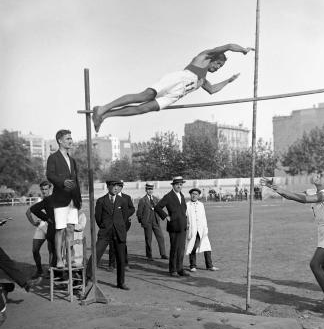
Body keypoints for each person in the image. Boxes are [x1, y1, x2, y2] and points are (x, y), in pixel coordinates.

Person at [92, 43, 254, 132]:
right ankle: (103, 108)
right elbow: (228, 46)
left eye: (220, 67)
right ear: (213, 59)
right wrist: (243, 51)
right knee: (145, 95)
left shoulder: (203, 79)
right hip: (177, 80)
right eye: (218, 64)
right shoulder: (204, 57)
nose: (218, 68)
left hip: (177, 95)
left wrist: (228, 81)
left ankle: (105, 116)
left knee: (144, 109)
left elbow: (212, 90)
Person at [261, 171, 324, 309]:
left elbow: (305, 199)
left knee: (315, 264)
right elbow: (293, 195)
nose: (317, 175)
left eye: (321, 175)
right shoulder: (313, 190)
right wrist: (274, 187)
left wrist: (277, 188)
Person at [86, 180, 134, 290]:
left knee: (121, 259)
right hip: (105, 233)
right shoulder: (101, 201)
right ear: (108, 187)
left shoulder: (123, 201)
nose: (116, 188)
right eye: (113, 186)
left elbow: (125, 217)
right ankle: (88, 277)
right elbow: (98, 218)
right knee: (96, 254)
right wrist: (105, 226)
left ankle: (121, 282)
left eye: (118, 186)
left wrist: (121, 229)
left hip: (119, 233)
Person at [46, 129, 82, 269]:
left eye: (71, 138)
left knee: (71, 229)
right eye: (68, 138)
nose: (71, 141)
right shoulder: (53, 158)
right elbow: (50, 175)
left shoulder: (72, 160)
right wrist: (62, 182)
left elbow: (76, 181)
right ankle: (59, 260)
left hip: (72, 200)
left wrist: (78, 201)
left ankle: (69, 257)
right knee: (60, 229)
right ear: (60, 140)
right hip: (60, 200)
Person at [155, 176, 189, 277]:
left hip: (182, 226)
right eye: (177, 184)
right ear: (173, 185)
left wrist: (186, 222)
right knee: (174, 248)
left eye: (181, 184)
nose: (179, 186)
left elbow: (183, 211)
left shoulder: (182, 195)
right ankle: (172, 269)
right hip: (174, 226)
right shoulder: (168, 196)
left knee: (181, 249)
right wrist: (166, 216)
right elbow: (158, 207)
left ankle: (180, 268)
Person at [25, 180, 55, 276]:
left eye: (46, 189)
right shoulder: (38, 200)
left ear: (50, 188)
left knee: (52, 250)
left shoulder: (55, 199)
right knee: (35, 249)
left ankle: (51, 270)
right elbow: (28, 212)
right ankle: (39, 270)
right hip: (42, 226)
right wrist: (33, 223)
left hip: (52, 226)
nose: (44, 191)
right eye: (42, 189)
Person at [186, 188, 219, 272]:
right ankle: (192, 266)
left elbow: (204, 217)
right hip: (193, 230)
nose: (194, 195)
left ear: (198, 196)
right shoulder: (187, 205)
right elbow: (184, 217)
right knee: (193, 247)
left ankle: (209, 265)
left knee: (207, 247)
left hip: (202, 229)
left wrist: (206, 229)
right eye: (193, 194)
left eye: (196, 194)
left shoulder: (201, 205)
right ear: (190, 195)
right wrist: (187, 224)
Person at [136, 182, 168, 261]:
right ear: (146, 190)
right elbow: (139, 213)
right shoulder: (142, 200)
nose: (150, 191)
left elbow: (159, 209)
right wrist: (142, 221)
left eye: (151, 189)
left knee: (161, 237)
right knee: (148, 239)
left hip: (156, 221)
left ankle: (163, 254)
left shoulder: (156, 199)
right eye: (148, 189)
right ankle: (149, 255)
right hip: (147, 222)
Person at [108, 181, 135, 270]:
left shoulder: (127, 197)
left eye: (120, 186)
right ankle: (112, 265)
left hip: (123, 225)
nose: (118, 188)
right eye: (116, 186)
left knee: (122, 243)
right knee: (112, 244)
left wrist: (125, 215)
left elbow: (132, 209)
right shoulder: (109, 197)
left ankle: (125, 264)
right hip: (111, 225)